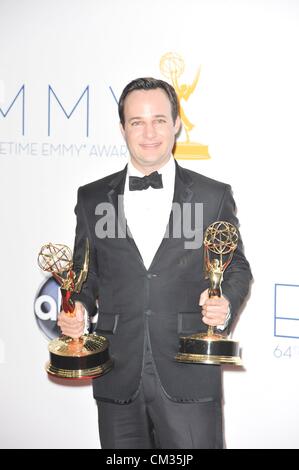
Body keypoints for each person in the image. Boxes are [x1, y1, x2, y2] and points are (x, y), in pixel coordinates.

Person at [58, 77, 252, 449]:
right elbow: (87, 273)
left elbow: (237, 267)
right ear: (122, 128)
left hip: (189, 374)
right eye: (137, 122)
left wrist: (224, 302)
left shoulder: (213, 196)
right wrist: (77, 305)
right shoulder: (91, 197)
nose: (149, 133)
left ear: (176, 124)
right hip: (116, 375)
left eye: (159, 120)